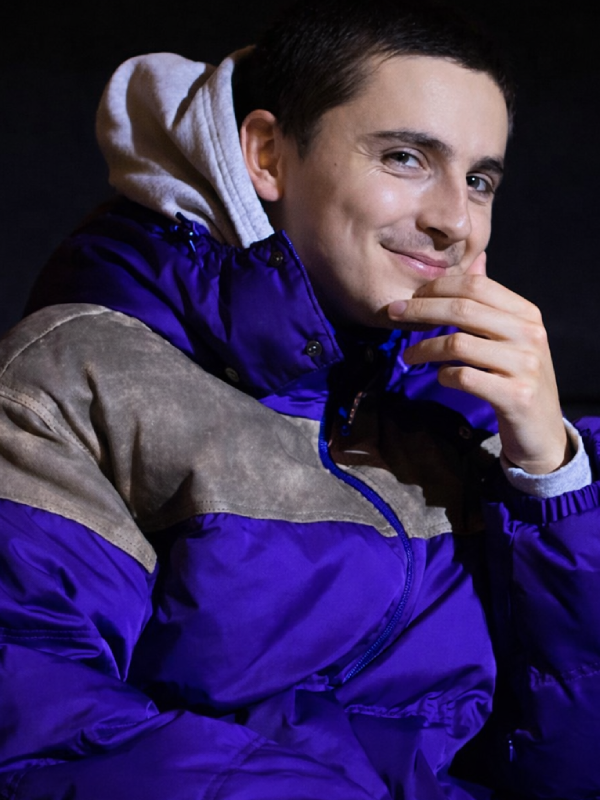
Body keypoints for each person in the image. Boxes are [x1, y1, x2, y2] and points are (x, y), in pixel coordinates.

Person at [0, 1, 599, 797]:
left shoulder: (476, 404)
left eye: (479, 179)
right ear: (267, 156)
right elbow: (45, 733)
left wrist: (553, 482)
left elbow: (571, 761)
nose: (456, 220)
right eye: (406, 158)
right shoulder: (73, 380)